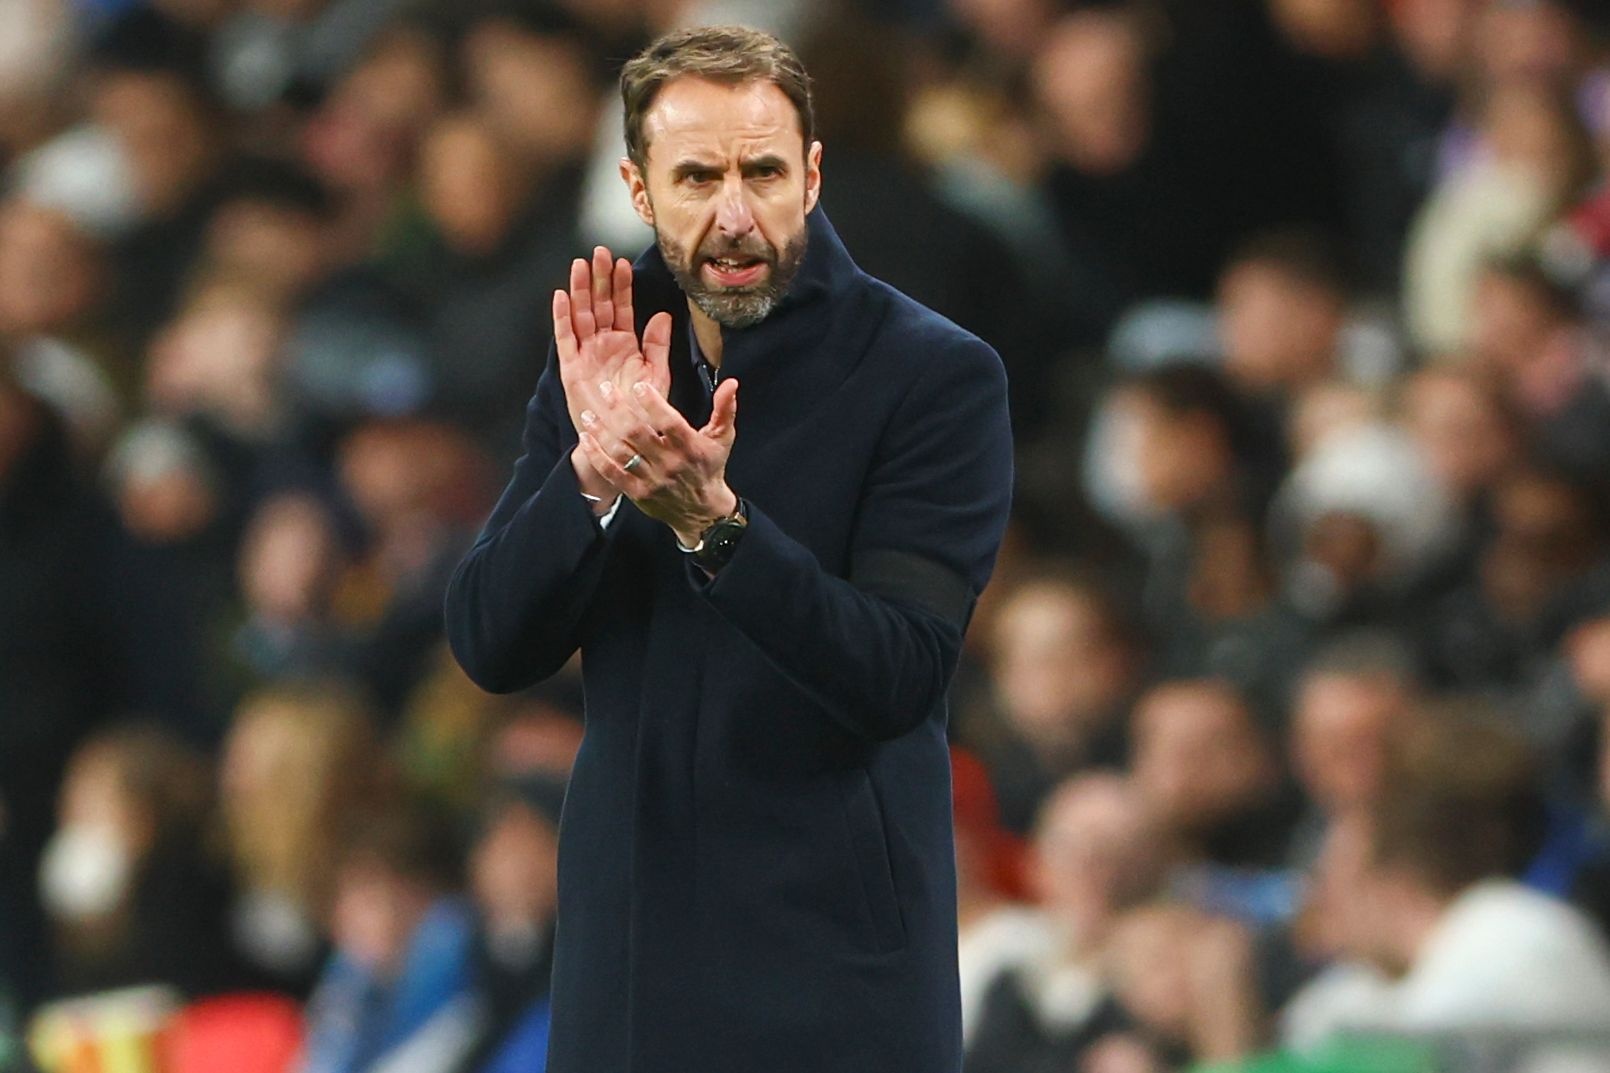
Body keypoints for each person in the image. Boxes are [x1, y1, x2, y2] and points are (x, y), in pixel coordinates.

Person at [443, 24, 1014, 1073]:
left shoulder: (932, 376)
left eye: (763, 172)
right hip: (628, 966)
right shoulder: (606, 352)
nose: (735, 213)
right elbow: (489, 639)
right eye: (697, 177)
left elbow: (899, 672)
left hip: (835, 976)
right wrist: (591, 474)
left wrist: (716, 526)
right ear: (638, 188)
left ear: (811, 174)